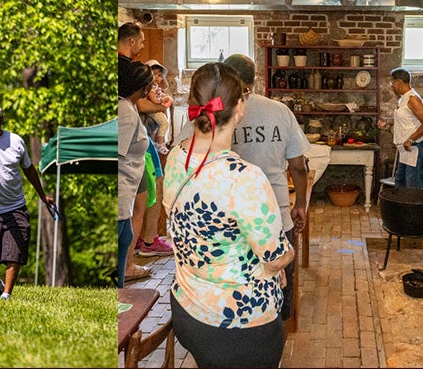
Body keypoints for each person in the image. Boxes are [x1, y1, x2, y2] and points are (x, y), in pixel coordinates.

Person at [163, 62, 294, 368]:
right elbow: (274, 256)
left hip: (188, 308)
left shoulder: (175, 157)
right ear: (238, 110)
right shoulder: (244, 177)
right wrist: (283, 259)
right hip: (240, 323)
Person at [175, 54, 310, 322]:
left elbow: (181, 156)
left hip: (217, 224)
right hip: (275, 220)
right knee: (278, 294)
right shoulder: (278, 111)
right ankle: (274, 334)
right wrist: (301, 205)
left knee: (223, 284)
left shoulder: (206, 116)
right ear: (255, 79)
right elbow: (298, 166)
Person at [0, 102, 54, 300]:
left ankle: (7, 295)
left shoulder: (16, 141)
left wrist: (42, 195)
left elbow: (28, 168)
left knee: (15, 252)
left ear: (1, 117)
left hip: (15, 207)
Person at [118, 60, 153, 287]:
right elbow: (117, 154)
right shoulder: (126, 112)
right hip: (121, 190)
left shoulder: (128, 106)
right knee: (122, 240)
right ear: (143, 86)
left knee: (126, 237)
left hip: (127, 190)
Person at [378, 67, 423, 188]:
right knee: (401, 179)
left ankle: (415, 206)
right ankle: (402, 206)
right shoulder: (403, 98)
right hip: (407, 146)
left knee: (413, 182)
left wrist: (411, 139)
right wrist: (388, 122)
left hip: (417, 145)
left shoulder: (413, 99)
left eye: (392, 82)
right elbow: (406, 119)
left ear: (399, 83)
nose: (391, 85)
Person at [145, 59, 173, 154]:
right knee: (164, 123)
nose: (157, 77)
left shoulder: (156, 86)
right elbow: (153, 99)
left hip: (155, 110)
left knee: (156, 127)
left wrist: (164, 96)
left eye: (159, 75)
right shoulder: (150, 87)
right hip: (152, 110)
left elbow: (159, 95)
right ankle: (160, 143)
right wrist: (162, 100)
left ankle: (154, 144)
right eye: (154, 74)